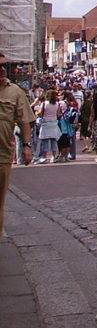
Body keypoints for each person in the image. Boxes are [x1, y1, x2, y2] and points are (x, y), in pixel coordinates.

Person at [1, 50, 35, 237]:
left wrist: (27, 146)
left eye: (4, 66)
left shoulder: (14, 92)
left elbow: (24, 121)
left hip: (3, 153)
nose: (2, 70)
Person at [36, 89, 66, 163]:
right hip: (54, 123)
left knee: (45, 141)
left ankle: (44, 157)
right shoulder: (57, 104)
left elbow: (40, 113)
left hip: (46, 123)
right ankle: (53, 156)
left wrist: (37, 112)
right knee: (53, 141)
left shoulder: (44, 104)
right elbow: (58, 114)